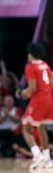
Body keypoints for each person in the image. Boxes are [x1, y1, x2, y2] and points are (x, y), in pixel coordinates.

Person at [21, 42, 53, 171]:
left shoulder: (30, 67)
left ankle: (37, 155)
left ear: (30, 54)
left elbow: (32, 88)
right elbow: (51, 86)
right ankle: (47, 158)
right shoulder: (46, 66)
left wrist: (24, 93)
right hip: (48, 99)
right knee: (41, 128)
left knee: (26, 129)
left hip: (38, 100)